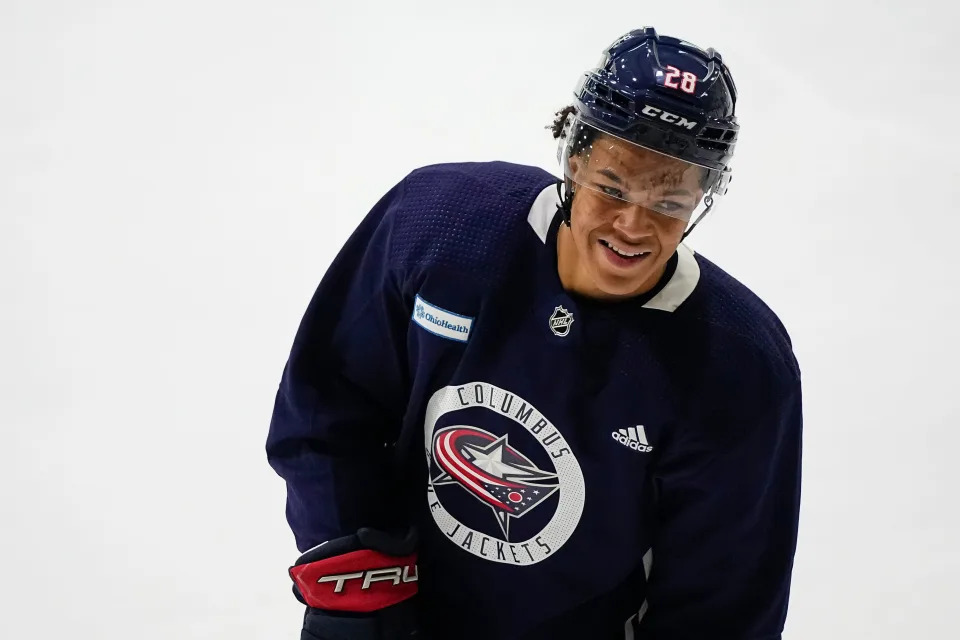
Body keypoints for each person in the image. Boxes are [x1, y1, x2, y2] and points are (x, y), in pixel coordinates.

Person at [267, 26, 802, 640]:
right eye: (611, 187)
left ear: (702, 197)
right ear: (575, 159)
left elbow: (724, 603)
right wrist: (357, 590)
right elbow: (327, 403)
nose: (632, 225)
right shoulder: (440, 229)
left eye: (669, 201)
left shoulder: (738, 367)